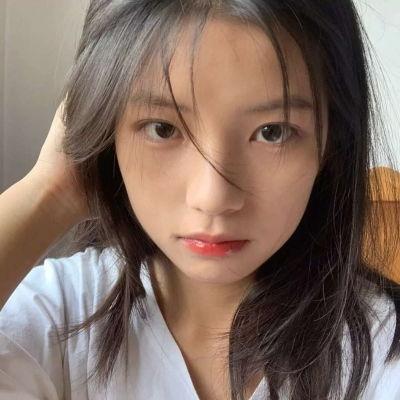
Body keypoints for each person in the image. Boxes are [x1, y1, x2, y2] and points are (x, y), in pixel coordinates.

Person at [0, 1, 400, 399]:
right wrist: (51, 193)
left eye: (273, 132)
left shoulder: (383, 347)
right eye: (162, 128)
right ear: (109, 132)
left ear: (331, 144)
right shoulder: (59, 315)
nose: (213, 198)